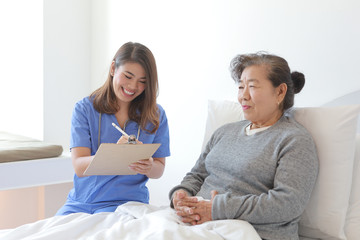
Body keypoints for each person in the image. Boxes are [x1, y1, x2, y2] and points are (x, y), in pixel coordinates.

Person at [169, 52, 319, 240]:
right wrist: (181, 194)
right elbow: (196, 175)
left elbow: (287, 204)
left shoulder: (294, 140)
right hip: (194, 225)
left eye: (253, 86)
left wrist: (217, 209)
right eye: (241, 87)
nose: (243, 96)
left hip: (247, 232)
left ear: (280, 92)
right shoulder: (225, 132)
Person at [56, 42, 170, 215]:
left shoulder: (156, 115)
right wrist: (115, 153)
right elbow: (79, 166)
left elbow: (159, 169)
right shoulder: (84, 109)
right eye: (128, 76)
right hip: (83, 202)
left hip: (130, 205)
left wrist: (149, 165)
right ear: (112, 68)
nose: (133, 86)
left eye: (142, 81)